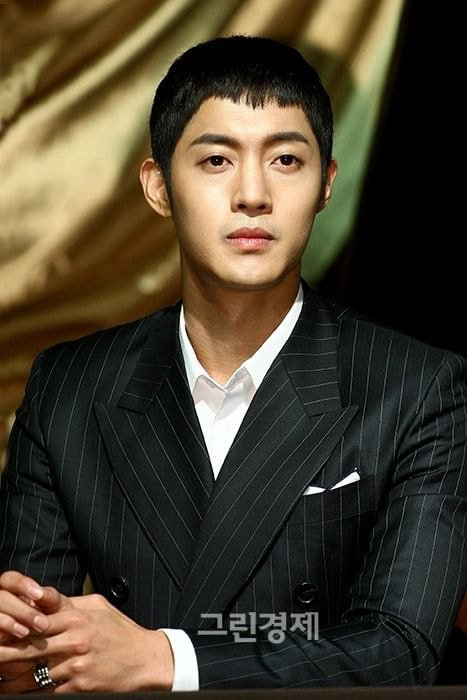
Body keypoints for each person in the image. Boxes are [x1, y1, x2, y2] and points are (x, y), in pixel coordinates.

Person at [0, 35, 466, 694]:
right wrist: (37, 655)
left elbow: (401, 647)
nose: (252, 194)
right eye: (216, 160)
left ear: (326, 184)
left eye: (285, 159)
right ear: (159, 187)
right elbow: (33, 654)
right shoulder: (69, 386)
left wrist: (167, 658)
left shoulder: (415, 386)